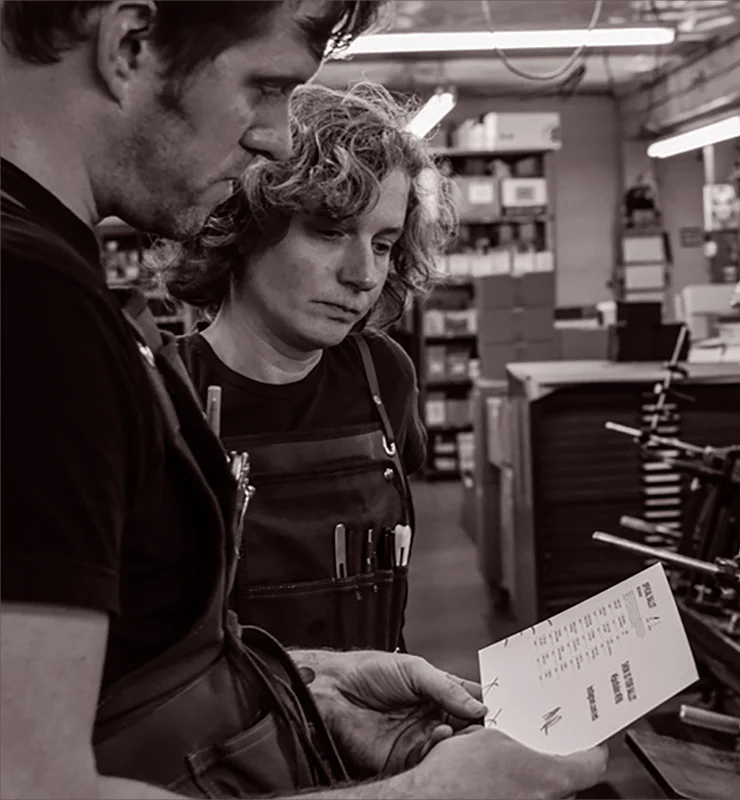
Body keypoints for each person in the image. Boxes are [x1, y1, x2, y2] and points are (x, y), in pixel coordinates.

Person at [0, 2, 608, 798]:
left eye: (385, 244)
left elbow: (133, 673)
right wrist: (432, 795)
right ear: (128, 42)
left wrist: (303, 690)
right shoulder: (36, 311)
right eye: (267, 85)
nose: (278, 136)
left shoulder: (70, 300)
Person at [152, 80, 452, 653]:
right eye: (330, 231)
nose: (363, 274)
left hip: (376, 723)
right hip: (231, 737)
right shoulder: (163, 395)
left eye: (385, 243)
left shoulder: (384, 376)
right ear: (244, 223)